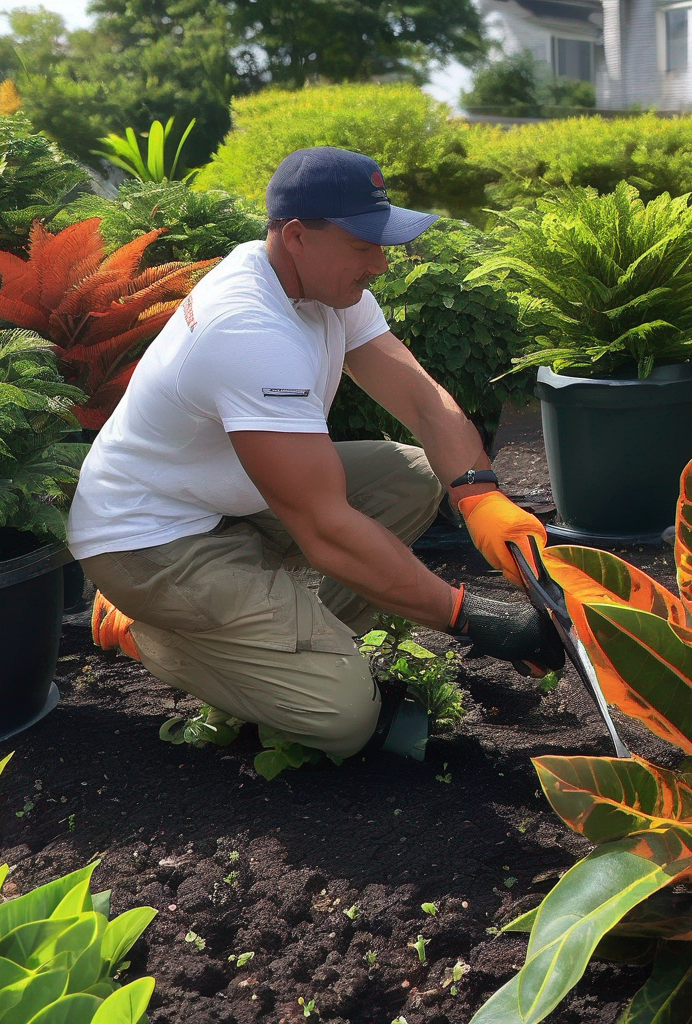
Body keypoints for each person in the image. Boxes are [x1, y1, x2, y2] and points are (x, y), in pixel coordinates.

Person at [67, 146, 564, 761]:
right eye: (364, 245)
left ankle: (264, 635)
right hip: (148, 540)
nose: (379, 264)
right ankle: (153, 633)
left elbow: (422, 399)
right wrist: (471, 617)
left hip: (230, 499)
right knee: (344, 716)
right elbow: (324, 530)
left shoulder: (324, 288)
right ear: (298, 236)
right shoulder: (250, 328)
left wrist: (480, 497)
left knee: (409, 477)